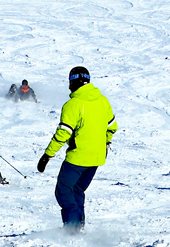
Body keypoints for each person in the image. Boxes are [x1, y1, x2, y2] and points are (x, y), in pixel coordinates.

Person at [37, 66, 117, 230]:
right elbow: (112, 127)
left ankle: (72, 229)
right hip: (96, 158)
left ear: (73, 82)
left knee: (64, 191)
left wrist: (47, 155)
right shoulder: (103, 101)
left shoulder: (73, 104)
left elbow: (63, 134)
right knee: (77, 190)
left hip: (78, 157)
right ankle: (78, 226)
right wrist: (104, 144)